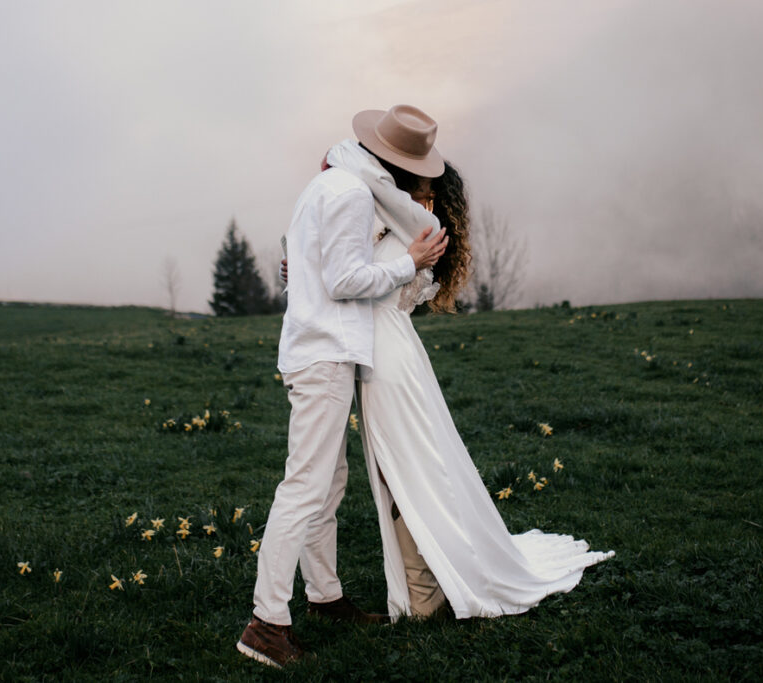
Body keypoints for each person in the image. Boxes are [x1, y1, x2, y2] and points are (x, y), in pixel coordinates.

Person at [322, 111, 616, 623]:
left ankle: (426, 587)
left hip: (388, 355)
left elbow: (351, 177)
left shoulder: (413, 219)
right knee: (404, 465)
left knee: (405, 465)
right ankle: (423, 583)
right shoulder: (393, 211)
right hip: (388, 351)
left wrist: (347, 162)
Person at [237, 105, 450, 670]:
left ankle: (325, 597)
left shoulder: (324, 184)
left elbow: (300, 268)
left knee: (328, 483)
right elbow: (344, 279)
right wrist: (409, 262)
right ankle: (266, 623)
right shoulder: (353, 195)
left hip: (313, 349)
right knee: (306, 487)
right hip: (325, 354)